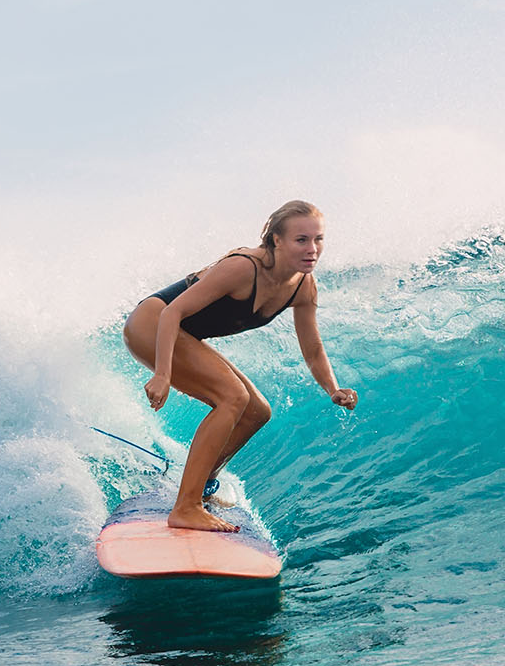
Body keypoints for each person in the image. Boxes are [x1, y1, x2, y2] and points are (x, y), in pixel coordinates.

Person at [123, 200, 359, 533]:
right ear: (277, 240)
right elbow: (171, 313)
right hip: (152, 323)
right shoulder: (243, 268)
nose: (312, 249)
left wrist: (332, 388)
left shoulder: (303, 286)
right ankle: (185, 507)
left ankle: (200, 486)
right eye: (301, 239)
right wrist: (162, 374)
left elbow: (312, 345)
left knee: (256, 411)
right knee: (232, 396)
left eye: (318, 239)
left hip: (184, 334)